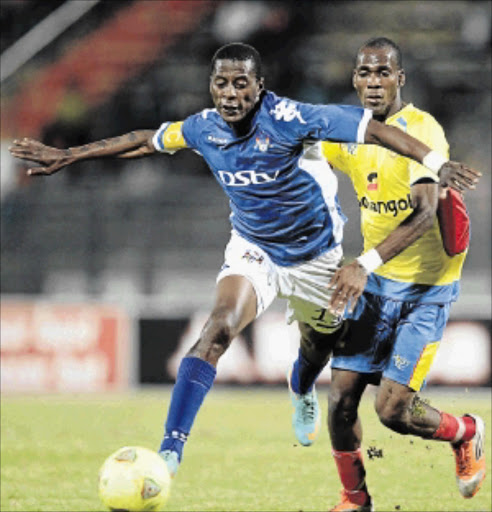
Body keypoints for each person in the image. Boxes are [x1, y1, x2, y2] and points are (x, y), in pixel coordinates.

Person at [9, 43, 480, 483]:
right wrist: (69, 155)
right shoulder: (202, 126)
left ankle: (299, 390)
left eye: (240, 84)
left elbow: (374, 128)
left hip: (317, 258)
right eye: (221, 84)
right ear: (211, 86)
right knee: (217, 329)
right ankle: (170, 452)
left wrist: (436, 164)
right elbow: (144, 141)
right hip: (254, 249)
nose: (230, 93)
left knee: (319, 347)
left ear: (260, 87)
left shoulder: (291, 118)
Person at [314, 37, 485, 511]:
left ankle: (465, 432)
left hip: (426, 289)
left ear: (399, 79)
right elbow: (304, 159)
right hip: (377, 286)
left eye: (383, 73)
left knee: (391, 411)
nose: (374, 82)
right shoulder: (348, 134)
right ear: (354, 78)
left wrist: (361, 264)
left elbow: (426, 212)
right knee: (341, 399)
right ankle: (355, 501)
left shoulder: (422, 131)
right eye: (365, 73)